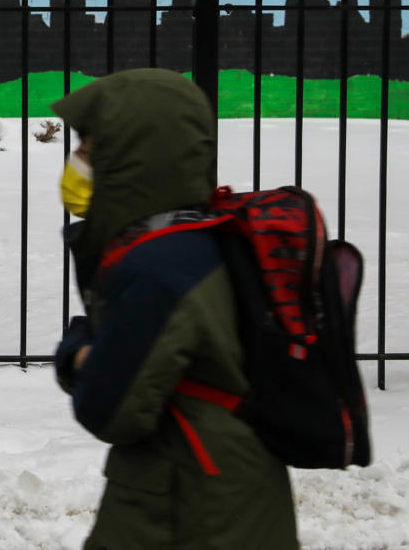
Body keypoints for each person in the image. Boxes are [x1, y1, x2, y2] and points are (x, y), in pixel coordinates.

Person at [51, 69, 298, 549]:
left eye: (87, 149)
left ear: (131, 158)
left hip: (190, 507)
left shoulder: (160, 267)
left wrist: (78, 353)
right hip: (220, 491)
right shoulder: (199, 238)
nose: (75, 163)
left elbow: (111, 408)